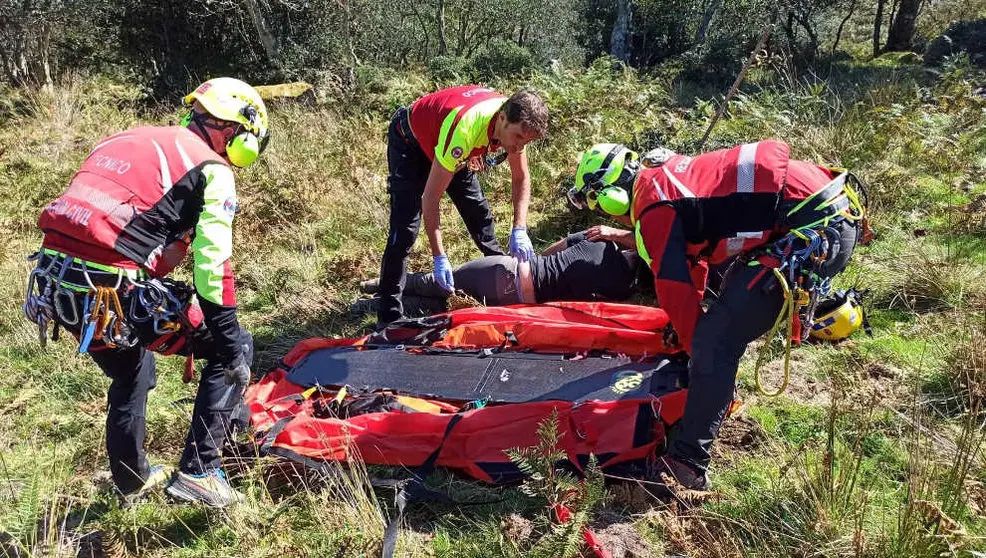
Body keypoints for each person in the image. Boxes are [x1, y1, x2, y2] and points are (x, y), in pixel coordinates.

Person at [22, 77, 270, 507]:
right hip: (109, 289)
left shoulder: (126, 135)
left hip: (53, 279)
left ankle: (131, 479)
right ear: (237, 130)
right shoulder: (213, 170)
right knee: (233, 349)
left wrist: (176, 242)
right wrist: (226, 332)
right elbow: (213, 268)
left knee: (132, 369)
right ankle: (200, 472)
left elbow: (127, 234)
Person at [569, 140, 867, 490]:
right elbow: (692, 266)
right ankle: (716, 393)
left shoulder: (653, 210)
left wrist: (695, 344)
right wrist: (683, 332)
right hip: (824, 207)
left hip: (814, 230)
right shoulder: (660, 180)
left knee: (714, 342)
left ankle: (686, 464)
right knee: (722, 313)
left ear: (610, 197)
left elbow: (673, 287)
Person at [376, 85, 549, 327]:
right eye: (518, 138)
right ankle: (388, 317)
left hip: (454, 146)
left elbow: (521, 177)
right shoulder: (466, 130)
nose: (518, 147)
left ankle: (501, 273)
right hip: (411, 142)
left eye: (526, 141)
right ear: (502, 118)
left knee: (477, 211)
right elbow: (431, 198)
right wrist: (439, 256)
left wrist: (519, 229)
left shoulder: (515, 119)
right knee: (404, 230)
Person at [356, 228, 649, 315]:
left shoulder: (600, 238)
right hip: (512, 302)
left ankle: (373, 290)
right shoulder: (621, 288)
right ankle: (367, 302)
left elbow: (555, 248)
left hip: (504, 273)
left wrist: (534, 265)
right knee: (436, 303)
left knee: (433, 286)